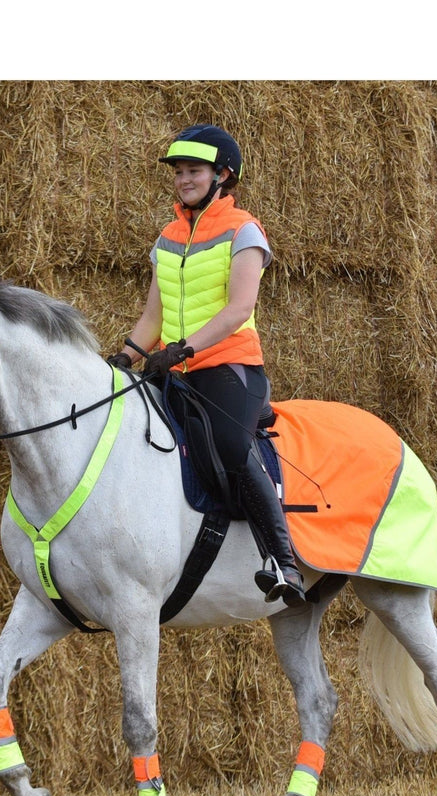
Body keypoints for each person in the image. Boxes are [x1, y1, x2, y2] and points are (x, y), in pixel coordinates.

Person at [107, 124, 306, 604]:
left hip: (229, 367)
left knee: (231, 446)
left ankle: (284, 560)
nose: (183, 180)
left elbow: (239, 308)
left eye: (193, 171)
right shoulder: (168, 237)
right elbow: (153, 314)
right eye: (178, 172)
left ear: (223, 176)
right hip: (175, 370)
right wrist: (124, 357)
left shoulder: (245, 231)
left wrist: (185, 348)